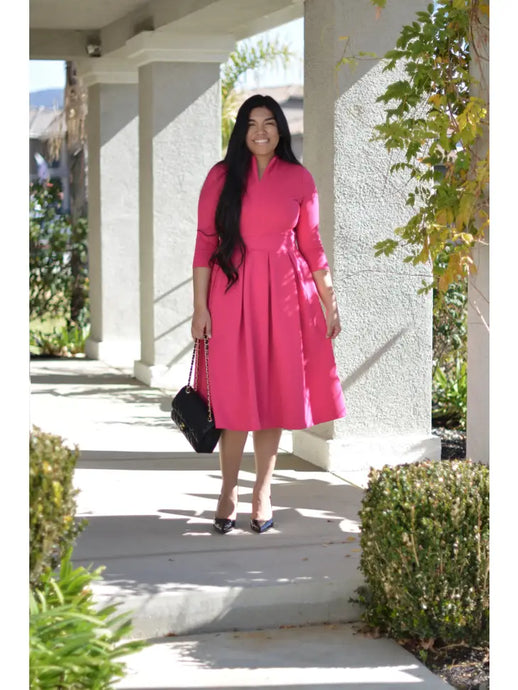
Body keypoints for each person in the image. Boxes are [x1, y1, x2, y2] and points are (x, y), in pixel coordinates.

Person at [191, 94, 346, 535]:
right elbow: (204, 243)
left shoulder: (299, 178)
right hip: (231, 292)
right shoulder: (220, 177)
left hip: (285, 296)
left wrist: (328, 302)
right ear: (242, 130)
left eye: (270, 122)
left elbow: (312, 246)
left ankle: (263, 490)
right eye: (252, 123)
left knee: (274, 394)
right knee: (235, 395)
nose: (261, 130)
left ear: (280, 128)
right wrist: (199, 307)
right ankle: (227, 489)